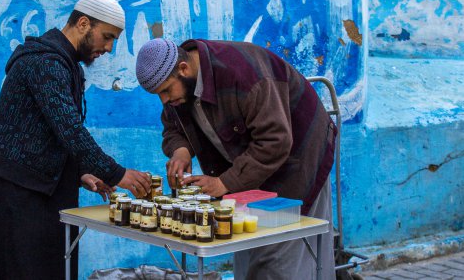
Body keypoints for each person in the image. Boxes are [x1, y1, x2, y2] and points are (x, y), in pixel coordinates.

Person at [0, 0, 151, 280]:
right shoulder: (46, 63)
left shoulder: (64, 64)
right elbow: (70, 129)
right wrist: (118, 174)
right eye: (106, 37)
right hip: (18, 188)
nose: (108, 48)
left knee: (49, 266)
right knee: (22, 270)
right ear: (83, 23)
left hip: (40, 184)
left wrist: (82, 171)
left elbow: (53, 130)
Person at [135, 38, 337, 280]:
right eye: (159, 95)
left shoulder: (245, 75)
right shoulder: (179, 85)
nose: (165, 100)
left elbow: (275, 141)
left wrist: (223, 183)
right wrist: (181, 150)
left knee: (281, 254)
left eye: (166, 91)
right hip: (248, 168)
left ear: (183, 69)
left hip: (300, 157)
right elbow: (173, 127)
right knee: (246, 243)